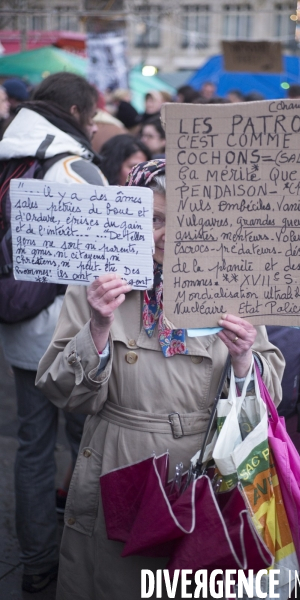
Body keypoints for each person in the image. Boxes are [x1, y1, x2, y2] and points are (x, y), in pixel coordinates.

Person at [36, 159, 284, 600]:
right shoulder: (98, 283)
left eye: (182, 219)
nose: (167, 234)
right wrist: (97, 326)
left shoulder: (231, 276)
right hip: (121, 460)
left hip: (208, 470)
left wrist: (245, 357)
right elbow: (61, 392)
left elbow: (271, 394)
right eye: (154, 218)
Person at [0, 71, 107, 593]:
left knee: (33, 448)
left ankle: (38, 559)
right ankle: (78, 559)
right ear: (78, 114)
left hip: (21, 330)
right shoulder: (71, 167)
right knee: (88, 445)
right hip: (71, 333)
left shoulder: (11, 154)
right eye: (92, 116)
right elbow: (109, 257)